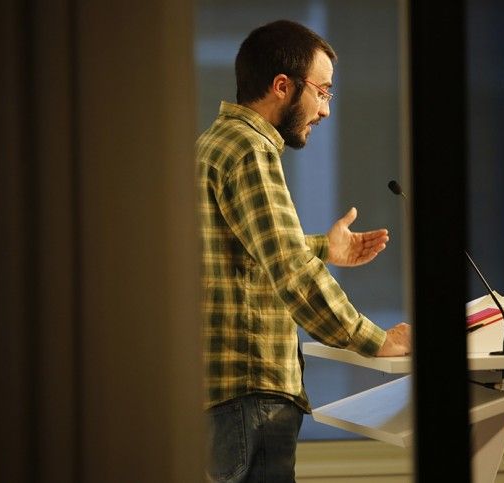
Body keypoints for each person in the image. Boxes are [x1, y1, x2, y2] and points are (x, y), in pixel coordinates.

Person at [196, 19, 411, 483]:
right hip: (250, 394)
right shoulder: (250, 150)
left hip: (226, 395)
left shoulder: (214, 143)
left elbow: (237, 253)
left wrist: (321, 248)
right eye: (323, 92)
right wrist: (376, 340)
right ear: (282, 86)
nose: (326, 110)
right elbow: (290, 271)